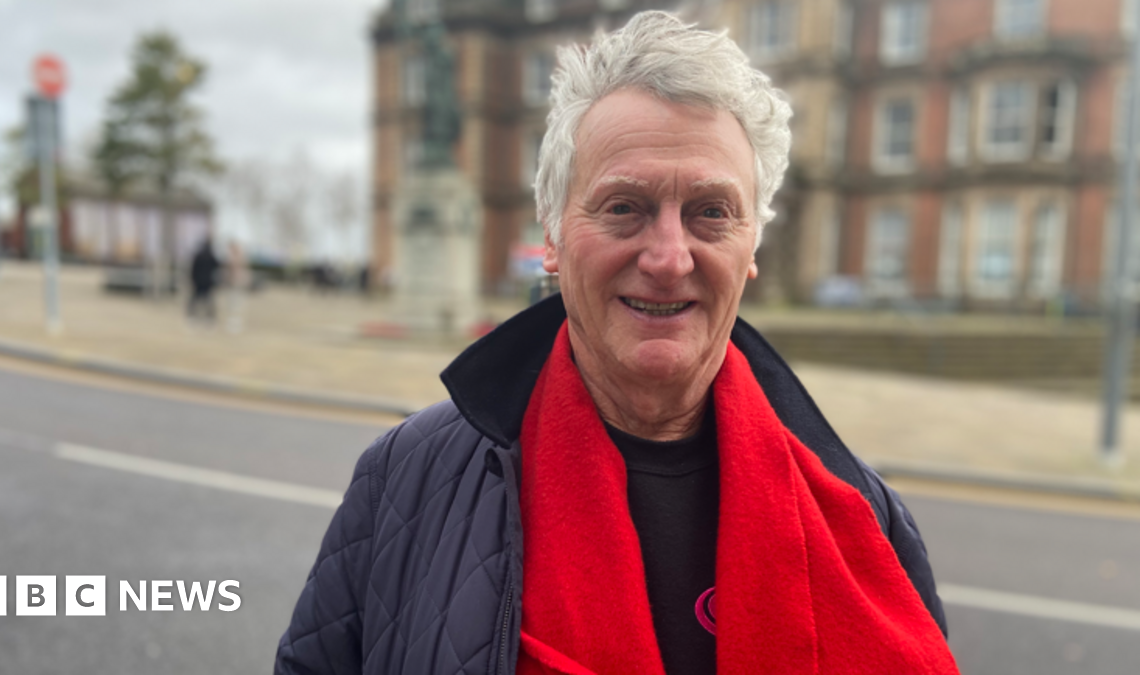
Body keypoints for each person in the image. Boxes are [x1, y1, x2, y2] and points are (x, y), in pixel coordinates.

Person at [275, 12, 957, 675]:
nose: (668, 257)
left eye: (710, 212)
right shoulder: (406, 477)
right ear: (552, 234)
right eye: (624, 206)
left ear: (752, 245)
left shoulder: (863, 512)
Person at [187, 235, 220, 324]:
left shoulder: (198, 255)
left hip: (198, 281)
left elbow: (193, 269)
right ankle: (209, 318)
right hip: (207, 281)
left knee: (195, 299)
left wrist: (192, 279)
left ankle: (192, 316)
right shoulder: (211, 255)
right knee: (207, 300)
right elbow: (217, 266)